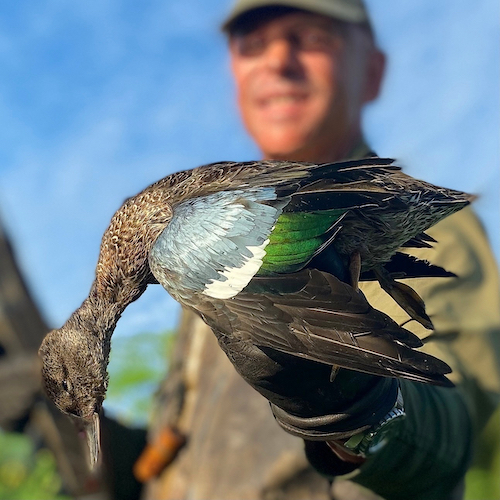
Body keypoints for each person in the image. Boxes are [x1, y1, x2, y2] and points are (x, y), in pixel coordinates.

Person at [140, 1, 500, 499]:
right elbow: (187, 460)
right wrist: (50, 412)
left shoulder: (420, 221)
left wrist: (359, 412)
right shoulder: (210, 248)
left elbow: (453, 429)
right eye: (253, 44)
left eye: (311, 38)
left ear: (372, 72)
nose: (277, 61)